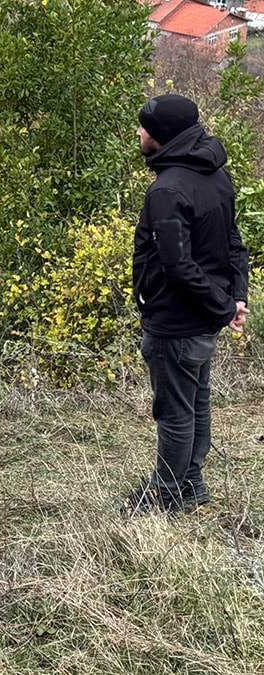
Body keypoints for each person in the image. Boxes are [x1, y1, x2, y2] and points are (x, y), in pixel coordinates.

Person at [125, 93, 249, 515]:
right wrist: (234, 299)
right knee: (196, 402)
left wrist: (223, 306)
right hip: (201, 319)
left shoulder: (168, 189)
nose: (139, 132)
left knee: (175, 412)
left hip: (175, 322)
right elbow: (234, 244)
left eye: (144, 127)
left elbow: (178, 265)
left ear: (162, 135)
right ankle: (191, 484)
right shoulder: (215, 174)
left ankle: (165, 497)